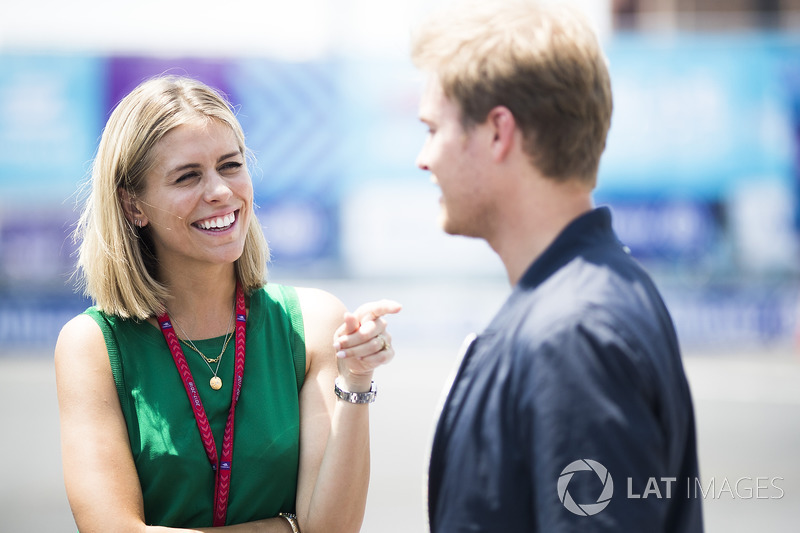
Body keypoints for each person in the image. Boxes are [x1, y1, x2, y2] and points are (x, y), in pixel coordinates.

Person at [55, 75, 401, 533]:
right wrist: (282, 528)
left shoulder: (314, 324)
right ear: (133, 205)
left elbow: (332, 529)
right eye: (187, 176)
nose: (219, 191)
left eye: (231, 165)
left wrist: (356, 380)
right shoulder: (93, 345)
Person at [411, 1, 703, 531]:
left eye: (433, 128)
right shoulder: (595, 294)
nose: (424, 157)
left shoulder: (571, 332)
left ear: (499, 132)